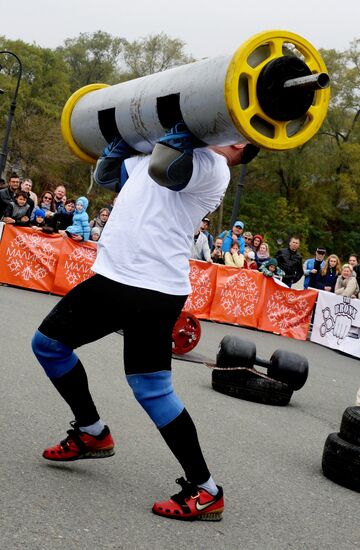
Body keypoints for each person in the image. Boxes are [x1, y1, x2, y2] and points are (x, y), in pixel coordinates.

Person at [31, 120, 259, 522]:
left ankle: (196, 486)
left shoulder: (212, 167)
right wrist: (119, 139)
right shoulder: (165, 152)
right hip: (128, 280)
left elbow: (166, 165)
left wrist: (180, 117)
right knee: (132, 379)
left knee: (133, 381)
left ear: (239, 142)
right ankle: (98, 435)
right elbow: (109, 175)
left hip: (142, 285)